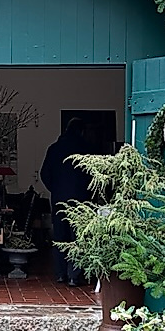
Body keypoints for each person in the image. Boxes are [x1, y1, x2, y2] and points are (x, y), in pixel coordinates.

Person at [40, 118, 93, 287]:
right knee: (77, 238)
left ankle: (61, 274)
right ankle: (73, 276)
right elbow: (93, 176)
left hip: (59, 200)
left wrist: (55, 189)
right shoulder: (86, 149)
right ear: (81, 131)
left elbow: (44, 174)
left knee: (60, 237)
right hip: (80, 201)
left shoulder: (54, 149)